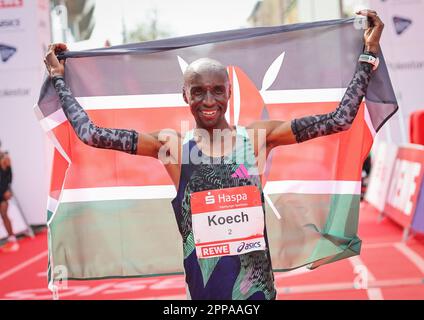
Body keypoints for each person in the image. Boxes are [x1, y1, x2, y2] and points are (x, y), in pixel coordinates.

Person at [43, 10, 384, 300]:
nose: (209, 100)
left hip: (256, 292)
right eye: (199, 91)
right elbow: (93, 135)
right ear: (184, 94)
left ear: (229, 92)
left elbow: (339, 120)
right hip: (206, 292)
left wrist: (368, 53)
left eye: (217, 90)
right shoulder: (172, 149)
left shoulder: (257, 139)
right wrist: (60, 80)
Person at [0, 148, 19, 253]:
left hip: (3, 193)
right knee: (3, 215)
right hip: (2, 192)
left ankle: (11, 237)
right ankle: (11, 237)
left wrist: (7, 190)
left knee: (4, 214)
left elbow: (9, 179)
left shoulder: (6, 163)